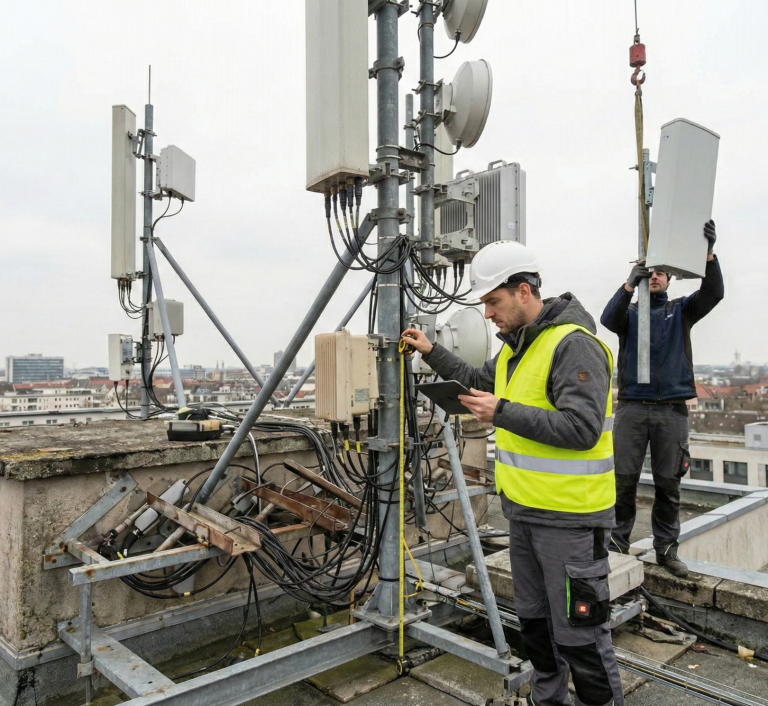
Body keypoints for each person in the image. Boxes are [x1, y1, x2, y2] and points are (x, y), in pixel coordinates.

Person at [403, 241, 623, 706]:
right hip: (523, 515)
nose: (486, 315)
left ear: (524, 292)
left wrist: (501, 411)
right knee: (538, 631)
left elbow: (581, 429)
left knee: (580, 637)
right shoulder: (513, 352)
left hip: (570, 519)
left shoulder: (574, 346)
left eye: (492, 302)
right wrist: (431, 351)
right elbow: (477, 381)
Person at [600, 220, 724, 577]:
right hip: (632, 410)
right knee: (623, 482)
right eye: (648, 273)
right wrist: (627, 283)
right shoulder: (631, 315)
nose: (654, 277)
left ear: (670, 279)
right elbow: (609, 319)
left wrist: (709, 255)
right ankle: (617, 545)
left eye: (660, 273)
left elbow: (713, 294)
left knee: (668, 485)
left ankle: (666, 550)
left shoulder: (681, 311)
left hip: (671, 411)